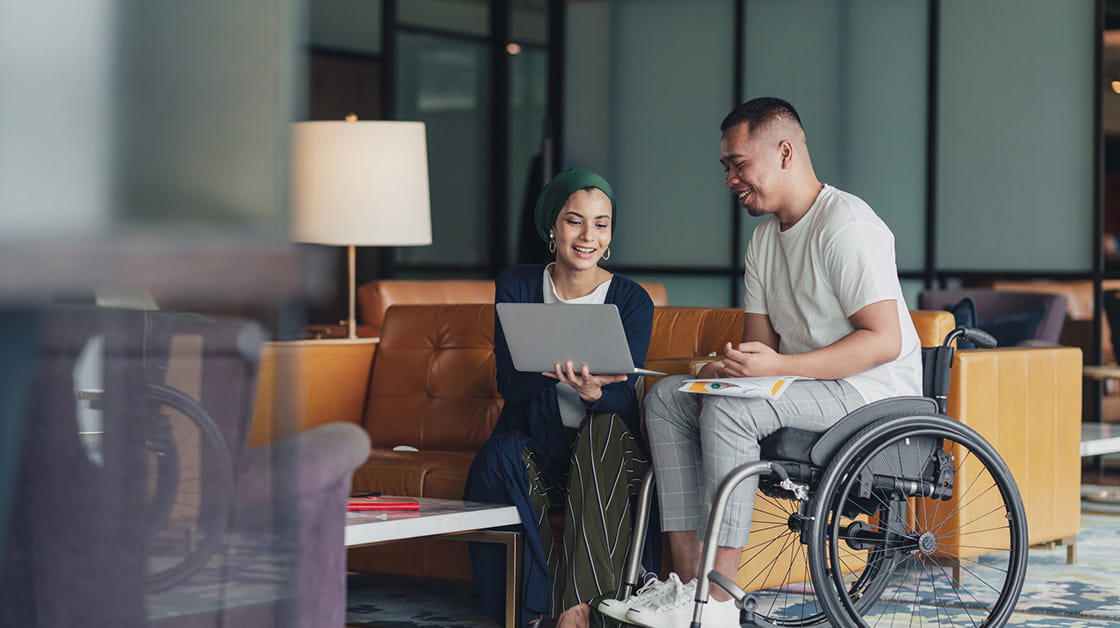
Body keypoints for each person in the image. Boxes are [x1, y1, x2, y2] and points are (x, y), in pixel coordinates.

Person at [615, 97, 923, 628]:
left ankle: (721, 598)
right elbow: (759, 348)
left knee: (736, 412)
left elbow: (884, 341)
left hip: (871, 393)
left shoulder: (845, 225)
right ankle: (691, 593)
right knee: (668, 396)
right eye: (726, 168)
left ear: (785, 151)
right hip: (806, 388)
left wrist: (775, 367)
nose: (731, 179)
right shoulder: (763, 241)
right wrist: (727, 369)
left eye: (740, 164)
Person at [464, 168, 660, 628]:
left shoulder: (631, 300)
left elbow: (623, 400)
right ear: (552, 228)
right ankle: (539, 605)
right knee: (500, 453)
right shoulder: (517, 285)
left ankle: (577, 607)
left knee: (603, 430)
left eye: (601, 223)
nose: (588, 235)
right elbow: (509, 386)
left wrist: (594, 394)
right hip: (543, 452)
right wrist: (549, 367)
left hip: (611, 458)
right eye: (574, 221)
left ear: (611, 233)